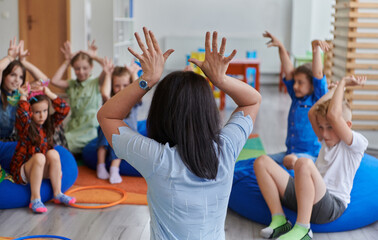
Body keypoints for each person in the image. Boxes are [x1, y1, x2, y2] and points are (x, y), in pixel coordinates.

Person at [97, 28, 261, 239]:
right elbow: (253, 100)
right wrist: (220, 80)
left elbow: (107, 117)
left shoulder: (157, 159)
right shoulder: (226, 149)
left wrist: (148, 79)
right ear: (207, 111)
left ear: (160, 113)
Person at [254, 75, 368, 239]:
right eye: (321, 128)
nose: (323, 133)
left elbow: (334, 116)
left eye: (330, 128)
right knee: (262, 162)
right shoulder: (325, 138)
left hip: (330, 205)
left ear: (346, 126)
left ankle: (303, 229)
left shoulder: (355, 144)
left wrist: (343, 84)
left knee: (305, 163)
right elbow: (313, 111)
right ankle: (279, 220)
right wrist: (335, 90)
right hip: (307, 197)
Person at [259, 31, 330, 169]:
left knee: (290, 161)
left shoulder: (318, 99)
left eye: (300, 82)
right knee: (262, 160)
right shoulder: (296, 98)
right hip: (290, 153)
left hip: (310, 156)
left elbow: (318, 74)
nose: (295, 86)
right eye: (295, 82)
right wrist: (280, 47)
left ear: (312, 85)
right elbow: (289, 71)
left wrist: (315, 49)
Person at [10, 85, 76, 213]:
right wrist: (23, 96)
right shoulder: (25, 126)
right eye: (37, 112)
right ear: (31, 112)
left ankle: (58, 193)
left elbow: (64, 109)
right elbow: (23, 115)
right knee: (40, 157)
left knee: (53, 153)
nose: (42, 116)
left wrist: (49, 93)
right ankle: (35, 199)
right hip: (25, 170)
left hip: (42, 168)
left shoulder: (48, 124)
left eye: (45, 111)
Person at [50, 40, 104, 155]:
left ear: (91, 67)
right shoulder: (72, 84)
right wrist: (67, 61)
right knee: (51, 138)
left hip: (89, 129)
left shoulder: (95, 83)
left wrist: (94, 57)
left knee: (59, 145)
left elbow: (108, 67)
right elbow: (54, 80)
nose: (81, 72)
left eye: (85, 68)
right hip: (73, 127)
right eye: (77, 69)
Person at [96, 58, 142, 183]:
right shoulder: (112, 99)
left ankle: (114, 169)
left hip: (127, 134)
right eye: (117, 86)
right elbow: (105, 94)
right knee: (104, 129)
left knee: (118, 138)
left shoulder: (133, 99)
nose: (121, 89)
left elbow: (138, 87)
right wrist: (108, 74)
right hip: (111, 132)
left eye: (125, 85)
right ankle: (100, 165)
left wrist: (133, 73)